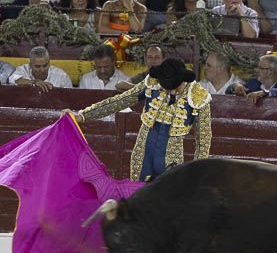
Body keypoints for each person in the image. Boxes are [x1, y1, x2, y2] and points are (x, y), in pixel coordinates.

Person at [73, 56, 211, 182]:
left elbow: (203, 140)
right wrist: (84, 115)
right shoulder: (153, 83)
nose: (170, 92)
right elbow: (121, 100)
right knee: (138, 194)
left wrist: (197, 173)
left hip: (170, 159)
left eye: (173, 87)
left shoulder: (198, 96)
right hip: (143, 152)